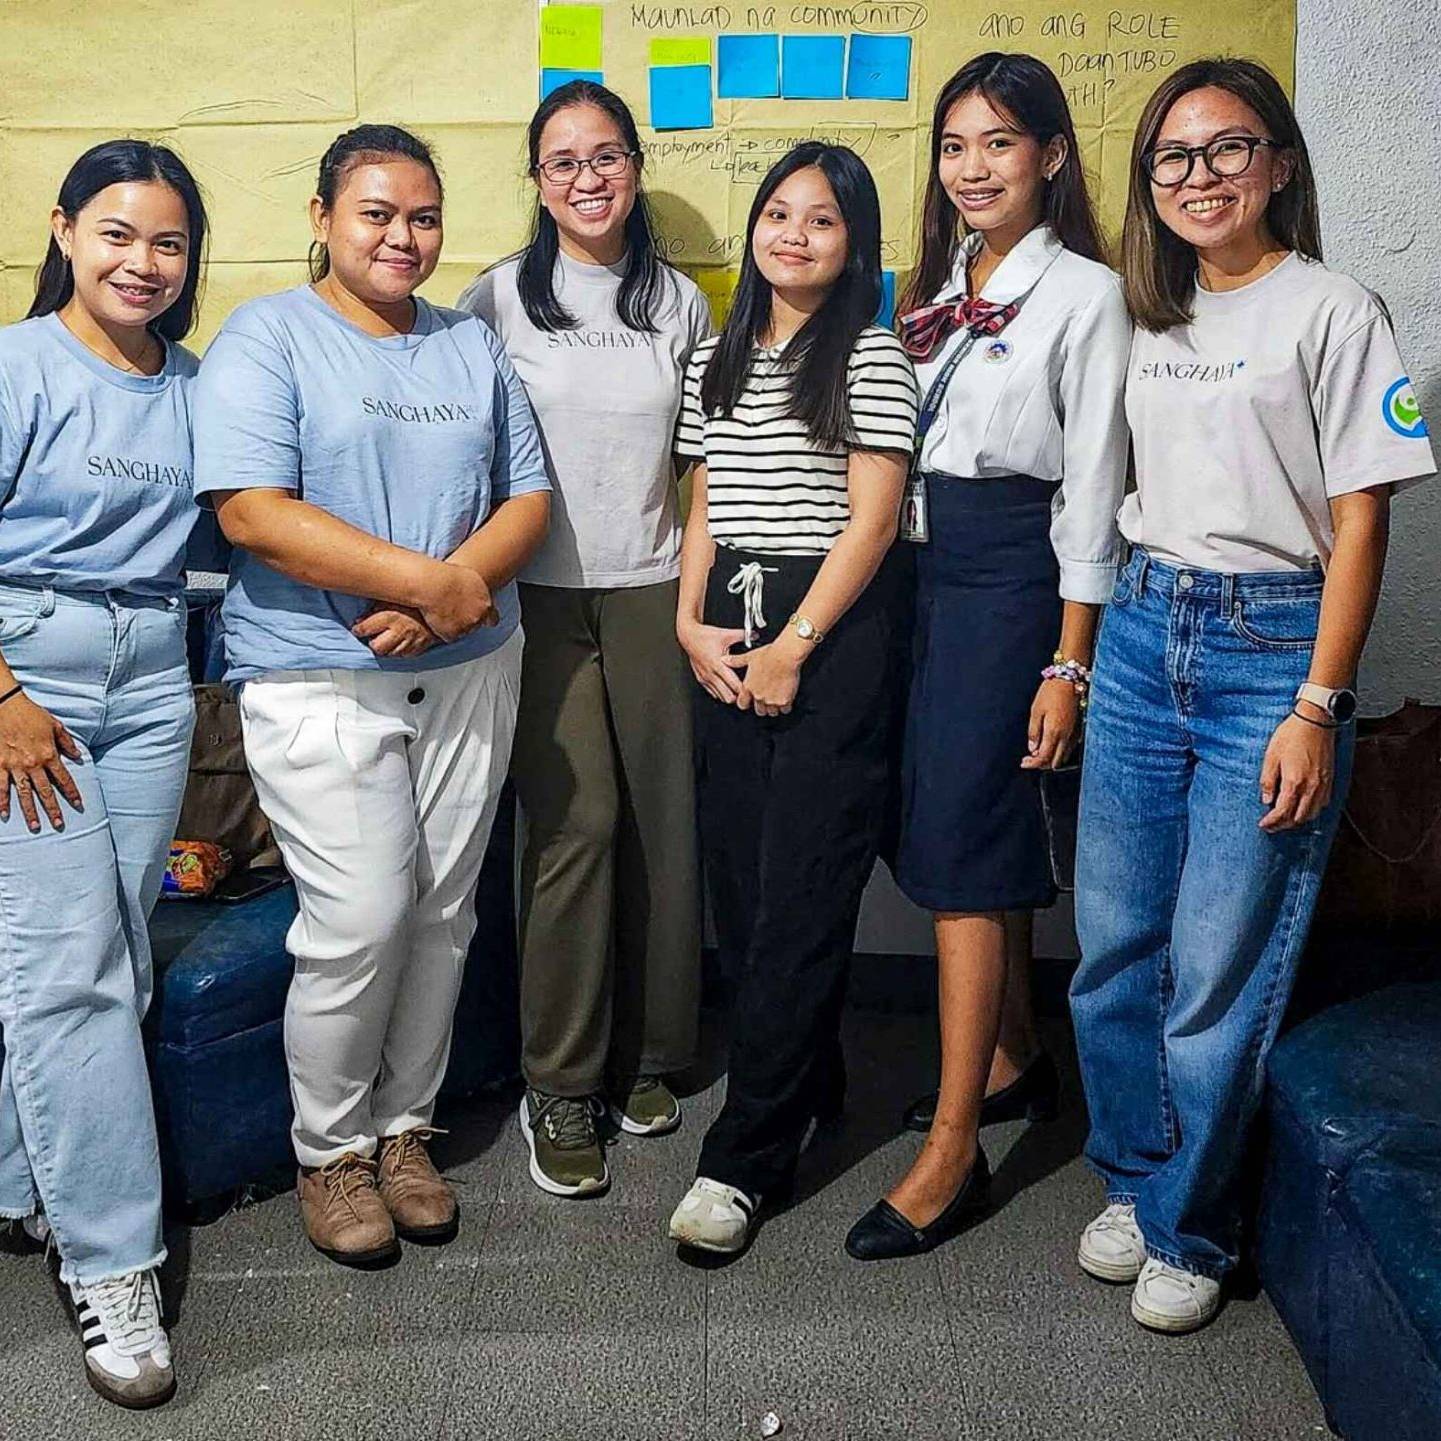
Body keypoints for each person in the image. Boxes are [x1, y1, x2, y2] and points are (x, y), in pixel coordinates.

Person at [1070, 58, 1435, 1333]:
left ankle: (1191, 1219)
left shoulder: (1333, 310)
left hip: (1268, 651)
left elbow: (1360, 521)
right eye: (1173, 158)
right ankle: (1132, 1172)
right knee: (1114, 945)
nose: (1200, 177)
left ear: (1280, 163)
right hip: (1138, 627)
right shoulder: (1145, 313)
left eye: (1228, 150)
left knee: (1219, 961)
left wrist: (1317, 704)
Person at [194, 125, 550, 1268]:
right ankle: (330, 1150)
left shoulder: (467, 345)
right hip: (317, 672)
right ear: (321, 218)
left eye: (425, 216)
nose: (404, 237)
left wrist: (452, 598)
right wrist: (432, 583)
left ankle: (406, 1130)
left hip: (467, 667)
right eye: (377, 213)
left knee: (444, 914)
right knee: (358, 918)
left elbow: (527, 497)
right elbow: (253, 512)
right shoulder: (268, 337)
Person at [846, 53, 1130, 1262]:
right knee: (939, 821)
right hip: (920, 568)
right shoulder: (933, 283)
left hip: (1015, 574)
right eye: (956, 146)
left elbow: (1096, 490)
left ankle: (956, 1145)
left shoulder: (1087, 296)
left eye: (1000, 144)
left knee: (966, 843)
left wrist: (1067, 662)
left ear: (1051, 157)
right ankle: (1013, 1059)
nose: (972, 168)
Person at [456, 81, 711, 1199]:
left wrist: (696, 595)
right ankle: (557, 1078)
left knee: (662, 823)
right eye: (562, 162)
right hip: (540, 597)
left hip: (655, 588)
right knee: (574, 825)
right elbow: (460, 457)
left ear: (636, 166)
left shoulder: (680, 303)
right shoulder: (494, 300)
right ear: (535, 180)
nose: (586, 179)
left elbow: (701, 465)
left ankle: (649, 1053)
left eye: (605, 156)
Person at [665, 142, 919, 1255]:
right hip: (728, 613)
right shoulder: (713, 359)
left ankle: (744, 1159)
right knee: (741, 883)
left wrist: (795, 647)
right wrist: (688, 619)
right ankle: (812, 1085)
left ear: (854, 243)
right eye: (777, 214)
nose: (794, 236)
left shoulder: (868, 354)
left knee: (804, 892)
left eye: (821, 221)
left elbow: (871, 519)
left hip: (834, 624)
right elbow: (706, 497)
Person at [0, 139, 208, 1408]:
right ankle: (115, 1261)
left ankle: (25, 1188)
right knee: (69, 965)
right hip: (36, 680)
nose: (143, 261)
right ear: (69, 233)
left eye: (169, 242)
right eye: (119, 234)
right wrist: (4, 698)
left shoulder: (195, 377)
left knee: (113, 951)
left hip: (155, 681)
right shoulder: (18, 365)